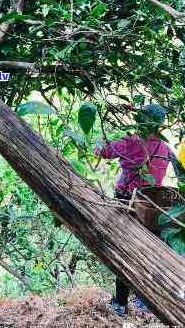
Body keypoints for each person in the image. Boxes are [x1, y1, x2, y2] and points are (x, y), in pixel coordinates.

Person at [94, 104, 174, 318]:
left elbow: (102, 151)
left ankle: (120, 303)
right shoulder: (165, 148)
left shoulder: (131, 142)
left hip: (126, 203)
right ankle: (142, 299)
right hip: (151, 205)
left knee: (123, 249)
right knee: (146, 250)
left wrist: (101, 139)